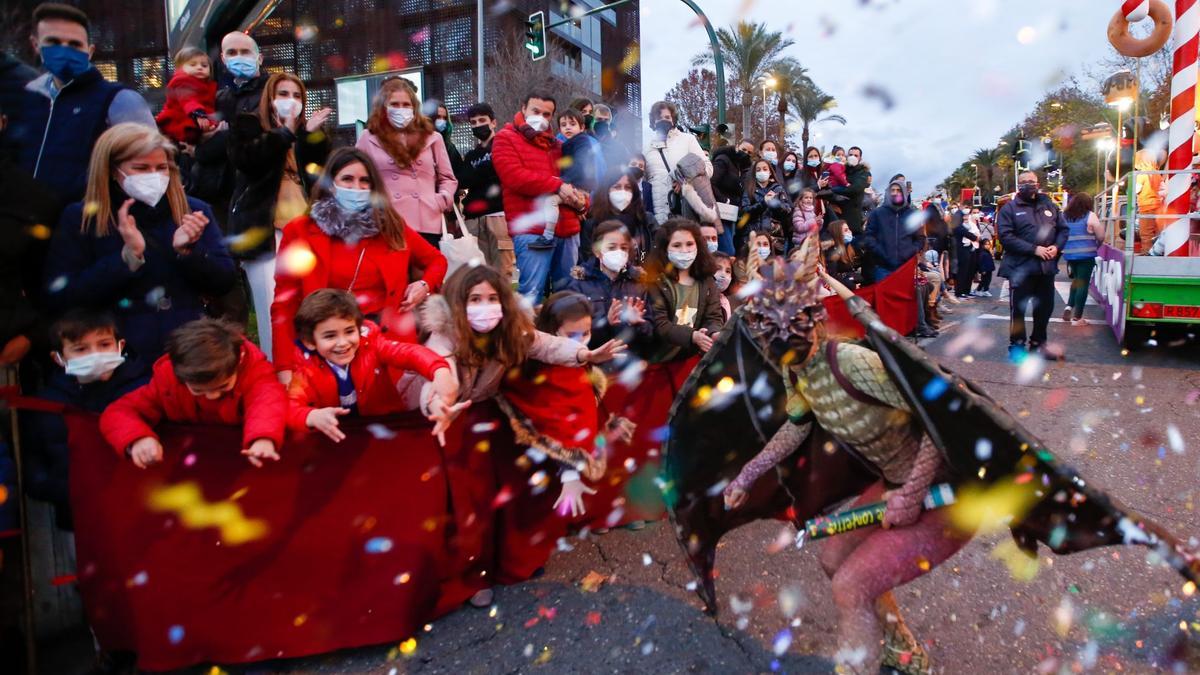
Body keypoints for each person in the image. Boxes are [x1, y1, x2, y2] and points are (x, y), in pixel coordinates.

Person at [725, 240, 969, 674]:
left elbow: (940, 415)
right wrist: (747, 474)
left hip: (948, 493)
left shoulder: (853, 363)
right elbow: (797, 425)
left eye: (793, 321)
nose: (781, 336)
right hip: (896, 483)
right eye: (766, 328)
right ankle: (904, 652)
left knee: (852, 586)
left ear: (814, 317)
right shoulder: (793, 369)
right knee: (834, 561)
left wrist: (913, 493)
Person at [406, 264, 625, 607]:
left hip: (486, 417)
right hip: (447, 421)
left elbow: (547, 346)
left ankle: (497, 563)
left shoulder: (511, 328)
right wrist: (438, 401)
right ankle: (466, 578)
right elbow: (438, 373)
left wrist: (584, 354)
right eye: (475, 298)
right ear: (457, 302)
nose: (484, 306)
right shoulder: (443, 337)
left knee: (495, 495)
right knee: (461, 504)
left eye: (492, 298)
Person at [43, 123, 237, 361]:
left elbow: (225, 281)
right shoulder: (82, 219)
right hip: (118, 354)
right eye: (141, 168)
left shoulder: (193, 210)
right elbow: (65, 296)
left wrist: (188, 253)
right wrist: (126, 259)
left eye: (161, 168)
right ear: (113, 171)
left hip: (188, 349)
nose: (154, 176)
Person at [271, 147, 448, 380]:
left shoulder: (391, 226)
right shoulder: (301, 231)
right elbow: (284, 304)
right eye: (347, 179)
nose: (357, 187)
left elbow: (436, 260)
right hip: (327, 346)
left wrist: (424, 285)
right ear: (331, 185)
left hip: (388, 346)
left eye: (365, 181)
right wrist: (284, 368)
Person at [228, 71, 332, 359]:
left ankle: (311, 370)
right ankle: (277, 372)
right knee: (272, 306)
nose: (291, 101)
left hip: (304, 228)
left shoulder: (304, 133)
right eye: (283, 94)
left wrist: (310, 137)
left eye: (297, 96)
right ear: (269, 98)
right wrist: (283, 133)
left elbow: (318, 172)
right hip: (265, 231)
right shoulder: (248, 124)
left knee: (311, 303)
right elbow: (247, 160)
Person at [12, 3, 155, 205]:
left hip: (88, 225)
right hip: (27, 224)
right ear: (36, 45)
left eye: (74, 44)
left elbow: (150, 172)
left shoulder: (120, 100)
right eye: (53, 42)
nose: (64, 51)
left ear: (89, 51)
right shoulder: (27, 99)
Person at [99, 317, 287, 469]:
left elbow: (267, 403)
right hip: (190, 469)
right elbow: (119, 412)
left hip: (240, 464)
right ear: (180, 376)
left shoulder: (255, 374)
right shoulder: (167, 382)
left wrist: (263, 439)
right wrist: (138, 439)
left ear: (239, 361)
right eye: (198, 390)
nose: (212, 396)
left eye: (222, 386)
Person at [23, 309, 149, 528]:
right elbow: (35, 468)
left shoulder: (147, 390)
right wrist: (70, 491)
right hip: (80, 520)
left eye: (104, 345)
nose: (95, 355)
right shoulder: (45, 405)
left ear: (120, 346)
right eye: (81, 349)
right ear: (59, 358)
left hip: (144, 512)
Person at [284, 289, 458, 443]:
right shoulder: (304, 367)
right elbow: (290, 405)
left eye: (349, 331)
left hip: (385, 428)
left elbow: (408, 353)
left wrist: (439, 370)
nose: (343, 343)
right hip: (337, 438)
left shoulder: (371, 344)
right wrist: (310, 416)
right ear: (310, 342)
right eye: (330, 336)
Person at [492, 91, 587, 303]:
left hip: (567, 230)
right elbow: (514, 177)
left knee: (568, 297)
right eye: (536, 111)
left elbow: (581, 181)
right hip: (532, 230)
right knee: (531, 295)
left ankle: (564, 336)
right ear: (523, 108)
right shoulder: (505, 138)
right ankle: (528, 336)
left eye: (547, 114)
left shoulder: (559, 146)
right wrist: (557, 185)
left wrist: (583, 203)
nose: (541, 118)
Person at [356, 77, 458, 247]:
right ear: (383, 107)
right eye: (394, 104)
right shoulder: (368, 137)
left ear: (414, 107)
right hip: (387, 222)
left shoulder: (432, 137)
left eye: (406, 104)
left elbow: (447, 177)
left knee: (426, 273)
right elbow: (357, 177)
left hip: (426, 221)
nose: (401, 109)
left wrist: (441, 199)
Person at [996, 171, 1069, 358]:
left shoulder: (1050, 206)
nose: (1029, 184)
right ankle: (1017, 345)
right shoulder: (1010, 209)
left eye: (1032, 181)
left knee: (1044, 309)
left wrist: (1056, 247)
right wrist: (1034, 249)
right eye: (1024, 182)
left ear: (1038, 183)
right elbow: (1006, 237)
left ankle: (1039, 344)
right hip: (1020, 268)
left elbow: (1063, 230)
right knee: (1018, 310)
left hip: (1046, 269)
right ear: (1018, 185)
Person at [562, 220, 651, 356]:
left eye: (624, 248)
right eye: (611, 247)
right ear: (597, 251)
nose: (619, 252)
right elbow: (571, 336)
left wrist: (638, 324)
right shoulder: (578, 286)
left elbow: (651, 334)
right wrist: (605, 323)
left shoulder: (638, 284)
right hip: (593, 363)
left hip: (630, 363)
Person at [644, 218, 725, 363]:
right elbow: (660, 324)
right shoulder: (655, 281)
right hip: (657, 361)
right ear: (665, 248)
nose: (685, 250)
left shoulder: (706, 280)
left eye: (689, 244)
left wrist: (714, 333)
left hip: (688, 360)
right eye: (677, 245)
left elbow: (713, 317)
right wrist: (692, 336)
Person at [460, 102, 514, 283]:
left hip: (499, 215)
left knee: (502, 272)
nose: (477, 125)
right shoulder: (470, 156)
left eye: (482, 120)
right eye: (473, 122)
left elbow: (502, 173)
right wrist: (486, 171)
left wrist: (479, 174)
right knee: (478, 275)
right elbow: (463, 180)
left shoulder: (505, 145)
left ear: (493, 122)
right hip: (474, 220)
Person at [533, 108, 601, 249]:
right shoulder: (570, 143)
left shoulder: (582, 142)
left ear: (582, 127)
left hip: (579, 186)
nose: (567, 127)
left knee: (551, 201)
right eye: (563, 125)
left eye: (572, 124)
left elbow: (580, 164)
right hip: (577, 185)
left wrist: (562, 180)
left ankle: (548, 235)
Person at [643, 100, 711, 226]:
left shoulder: (687, 140)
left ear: (673, 119)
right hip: (658, 217)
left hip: (684, 211)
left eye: (667, 117)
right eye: (659, 117)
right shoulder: (646, 147)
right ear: (653, 121)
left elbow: (707, 168)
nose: (664, 120)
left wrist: (686, 180)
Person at [580, 171, 653, 264]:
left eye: (628, 187)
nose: (623, 192)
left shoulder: (645, 220)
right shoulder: (592, 224)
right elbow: (587, 259)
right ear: (606, 191)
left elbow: (652, 253)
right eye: (617, 187)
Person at [862, 179, 922, 283]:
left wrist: (910, 251)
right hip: (883, 268)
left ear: (903, 192)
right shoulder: (877, 213)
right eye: (892, 190)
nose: (895, 193)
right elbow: (869, 236)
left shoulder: (912, 214)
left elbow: (920, 238)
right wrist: (881, 252)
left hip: (906, 267)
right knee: (884, 298)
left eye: (898, 190)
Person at [155, 46, 217, 147]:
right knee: (190, 132)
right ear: (180, 68)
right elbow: (188, 100)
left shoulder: (206, 84)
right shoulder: (182, 82)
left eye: (204, 65)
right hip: (181, 118)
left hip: (198, 117)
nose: (199, 67)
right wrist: (198, 114)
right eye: (193, 65)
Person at [1060, 192, 1104, 325]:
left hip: (1070, 255)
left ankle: (1068, 306)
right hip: (1086, 254)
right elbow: (1101, 235)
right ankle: (1078, 317)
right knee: (1083, 284)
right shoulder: (1090, 216)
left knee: (1076, 280)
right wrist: (1098, 244)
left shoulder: (1064, 216)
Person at [709, 140, 753, 254]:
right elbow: (711, 182)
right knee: (728, 250)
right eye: (743, 149)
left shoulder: (741, 167)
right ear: (737, 146)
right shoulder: (723, 160)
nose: (746, 153)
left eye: (749, 152)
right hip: (719, 211)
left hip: (731, 214)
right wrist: (725, 200)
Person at [745, 159, 792, 240]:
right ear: (754, 173)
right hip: (753, 234)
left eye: (765, 169)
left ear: (770, 172)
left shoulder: (778, 189)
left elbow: (787, 210)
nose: (762, 172)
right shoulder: (749, 190)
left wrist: (776, 204)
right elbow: (745, 212)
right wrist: (764, 203)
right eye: (758, 170)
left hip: (774, 235)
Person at [819, 219, 861, 290]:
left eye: (849, 229)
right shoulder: (832, 252)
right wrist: (852, 286)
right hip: (841, 289)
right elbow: (833, 276)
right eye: (846, 230)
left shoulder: (847, 247)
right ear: (838, 233)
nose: (850, 232)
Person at [590, 103, 630, 178]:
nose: (602, 122)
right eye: (599, 119)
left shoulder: (619, 148)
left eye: (606, 120)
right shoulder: (583, 143)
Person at [433, 102, 467, 181]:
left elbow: (459, 173)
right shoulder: (420, 144)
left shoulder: (450, 148)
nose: (441, 121)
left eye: (444, 118)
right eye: (438, 117)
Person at [953, 204, 980, 299]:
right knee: (962, 271)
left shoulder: (972, 223)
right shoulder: (958, 223)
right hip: (962, 248)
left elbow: (977, 233)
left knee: (970, 270)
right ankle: (959, 292)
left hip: (972, 248)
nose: (966, 216)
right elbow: (963, 232)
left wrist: (975, 237)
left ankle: (966, 291)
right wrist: (974, 237)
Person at [712, 252, 735, 321]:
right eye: (718, 269)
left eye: (728, 271)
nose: (723, 275)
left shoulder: (725, 301)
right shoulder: (700, 297)